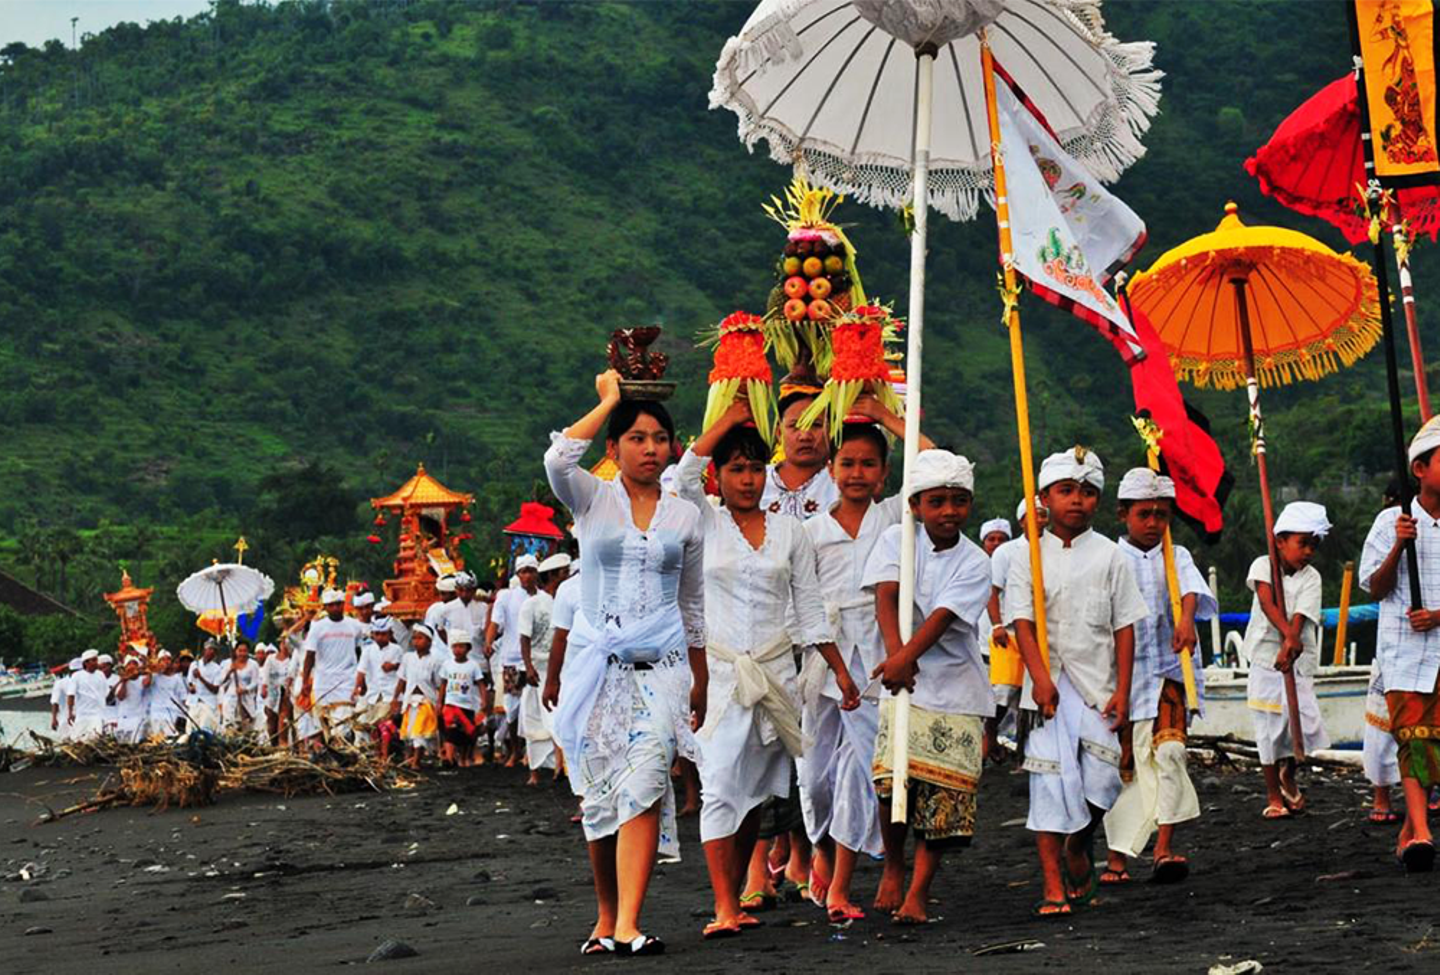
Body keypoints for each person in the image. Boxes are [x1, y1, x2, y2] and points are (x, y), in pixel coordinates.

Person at [675, 400, 857, 938]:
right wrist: (729, 420)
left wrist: (841, 672)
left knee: (758, 789)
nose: (748, 479)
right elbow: (681, 474)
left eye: (756, 468)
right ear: (720, 475)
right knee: (719, 784)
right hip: (723, 674)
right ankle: (722, 904)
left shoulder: (789, 532)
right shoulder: (704, 519)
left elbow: (807, 607)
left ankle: (738, 895)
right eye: (736, 468)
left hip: (778, 674)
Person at [543, 370, 707, 957]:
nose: (650, 449)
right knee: (599, 800)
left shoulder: (686, 516)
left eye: (659, 438)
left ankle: (630, 924)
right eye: (635, 438)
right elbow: (558, 460)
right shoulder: (593, 498)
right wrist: (609, 400)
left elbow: (691, 602)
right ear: (614, 449)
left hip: (662, 667)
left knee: (645, 783)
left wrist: (700, 674)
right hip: (597, 670)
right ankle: (605, 916)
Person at [798, 396, 932, 921]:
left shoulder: (896, 519)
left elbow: (931, 457)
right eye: (847, 463)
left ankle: (849, 880)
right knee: (814, 776)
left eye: (869, 463)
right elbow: (802, 605)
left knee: (865, 771)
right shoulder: (810, 532)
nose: (857, 473)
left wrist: (883, 415)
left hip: (880, 657)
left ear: (884, 473)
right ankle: (822, 847)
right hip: (824, 659)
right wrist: (830, 663)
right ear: (830, 469)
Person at [1005, 448, 1147, 918]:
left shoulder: (1112, 556)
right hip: (1045, 689)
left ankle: (1079, 845)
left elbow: (1125, 626)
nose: (1077, 501)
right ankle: (1052, 886)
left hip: (1098, 687)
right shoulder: (1028, 554)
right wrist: (1040, 679)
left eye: (1087, 493)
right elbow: (1022, 620)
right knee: (1048, 787)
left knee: (1104, 781)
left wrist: (1124, 691)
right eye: (1066, 491)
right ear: (1045, 497)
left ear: (1098, 502)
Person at [864, 449, 993, 925]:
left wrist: (904, 658)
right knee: (890, 783)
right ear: (917, 503)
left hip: (956, 687)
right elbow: (886, 595)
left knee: (942, 795)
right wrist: (897, 657)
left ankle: (919, 890)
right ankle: (893, 864)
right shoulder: (897, 540)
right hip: (903, 682)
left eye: (958, 501)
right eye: (937, 501)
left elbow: (943, 618)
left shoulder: (977, 561)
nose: (948, 512)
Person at [1101, 469, 1217, 885]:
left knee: (1169, 755)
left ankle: (1164, 847)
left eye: (1162, 515)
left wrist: (1186, 620)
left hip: (1170, 671)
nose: (1153, 524)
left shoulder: (1176, 554)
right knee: (1127, 768)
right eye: (1144, 514)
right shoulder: (1110, 558)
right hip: (1125, 679)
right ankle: (1118, 856)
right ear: (1123, 515)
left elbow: (1190, 591)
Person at [1362, 416, 1440, 870]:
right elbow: (1376, 587)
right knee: (1412, 737)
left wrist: (1437, 615)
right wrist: (1398, 545)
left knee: (1434, 743)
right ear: (1420, 470)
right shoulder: (1391, 520)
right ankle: (1422, 833)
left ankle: (1410, 828)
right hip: (1404, 650)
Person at [1244, 501, 1331, 820]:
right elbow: (1267, 603)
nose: (1308, 551)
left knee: (1302, 723)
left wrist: (1292, 642)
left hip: (1298, 656)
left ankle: (1288, 773)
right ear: (1280, 540)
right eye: (1302, 543)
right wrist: (1285, 638)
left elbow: (1301, 618)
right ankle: (1272, 795)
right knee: (1267, 728)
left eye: (1313, 545)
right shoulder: (1261, 565)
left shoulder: (1312, 578)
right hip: (1265, 653)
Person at [519, 553, 571, 785]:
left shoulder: (568, 598)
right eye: (563, 573)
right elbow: (524, 638)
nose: (567, 576)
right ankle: (535, 771)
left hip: (564, 665)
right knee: (534, 719)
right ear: (551, 576)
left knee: (560, 716)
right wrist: (528, 667)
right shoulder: (532, 604)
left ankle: (561, 766)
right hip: (538, 668)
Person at [486, 555, 541, 768]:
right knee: (512, 709)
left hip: (535, 659)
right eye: (523, 571)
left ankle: (531, 752)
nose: (527, 575)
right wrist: (489, 642)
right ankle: (515, 751)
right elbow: (495, 622)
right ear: (518, 574)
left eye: (531, 570)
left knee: (533, 708)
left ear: (536, 573)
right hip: (511, 659)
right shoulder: (506, 597)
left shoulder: (543, 598)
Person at [301, 589, 369, 743]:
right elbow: (309, 656)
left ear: (343, 605)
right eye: (331, 605)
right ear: (325, 607)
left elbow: (359, 653)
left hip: (347, 680)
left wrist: (361, 678)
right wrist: (306, 681)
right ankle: (329, 750)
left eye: (338, 604)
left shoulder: (354, 626)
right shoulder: (317, 627)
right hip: (323, 681)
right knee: (323, 721)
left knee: (344, 721)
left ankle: (342, 749)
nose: (335, 608)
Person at [392, 622, 443, 768]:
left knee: (419, 731)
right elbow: (402, 679)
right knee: (409, 732)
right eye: (414, 638)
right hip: (409, 700)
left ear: (429, 641)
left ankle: (416, 761)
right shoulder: (408, 658)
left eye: (420, 638)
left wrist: (439, 702)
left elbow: (439, 685)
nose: (416, 641)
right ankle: (409, 759)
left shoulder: (435, 660)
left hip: (426, 701)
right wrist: (395, 699)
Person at [437, 628, 487, 767]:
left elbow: (480, 683)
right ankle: (449, 758)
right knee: (450, 731)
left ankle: (464, 757)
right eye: (455, 647)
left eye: (461, 647)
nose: (457, 650)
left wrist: (484, 700)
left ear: (468, 648)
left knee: (467, 733)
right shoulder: (447, 665)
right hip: (451, 704)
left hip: (467, 704)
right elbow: (443, 684)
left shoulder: (473, 665)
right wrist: (439, 703)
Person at [354, 617, 403, 750]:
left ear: (390, 634)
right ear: (373, 635)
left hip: (390, 694)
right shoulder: (368, 650)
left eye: (383, 634)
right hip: (373, 695)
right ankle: (377, 753)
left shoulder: (397, 649)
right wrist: (357, 688)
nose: (380, 637)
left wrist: (393, 666)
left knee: (384, 725)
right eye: (377, 634)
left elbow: (403, 671)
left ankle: (384, 755)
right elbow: (361, 671)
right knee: (372, 727)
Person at [220, 642, 262, 734]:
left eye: (245, 651)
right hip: (231, 698)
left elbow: (255, 682)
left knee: (247, 727)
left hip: (246, 700)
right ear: (236, 652)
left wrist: (245, 689)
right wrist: (230, 671)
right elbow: (221, 681)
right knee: (230, 726)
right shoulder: (228, 663)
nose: (242, 654)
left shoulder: (253, 664)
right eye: (240, 651)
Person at [69, 649, 110, 741]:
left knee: (96, 738)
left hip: (98, 714)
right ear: (86, 663)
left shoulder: (101, 675)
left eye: (96, 660)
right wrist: (70, 712)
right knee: (79, 739)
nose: (97, 662)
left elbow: (106, 693)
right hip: (82, 714)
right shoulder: (76, 676)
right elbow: (70, 695)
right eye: (94, 660)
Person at [112, 656, 152, 743]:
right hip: (124, 717)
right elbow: (121, 697)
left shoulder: (141, 679)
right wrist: (124, 681)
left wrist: (149, 670)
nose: (132, 666)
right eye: (129, 664)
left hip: (138, 717)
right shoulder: (121, 680)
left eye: (134, 664)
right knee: (123, 743)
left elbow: (146, 684)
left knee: (136, 742)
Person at [147, 651, 186, 739]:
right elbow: (146, 684)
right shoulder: (154, 676)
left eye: (168, 659)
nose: (166, 662)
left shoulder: (177, 678)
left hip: (172, 713)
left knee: (170, 738)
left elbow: (183, 697)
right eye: (163, 660)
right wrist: (152, 670)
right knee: (157, 738)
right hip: (156, 712)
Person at [188, 640, 224, 733]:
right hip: (194, 703)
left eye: (214, 650)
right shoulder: (194, 664)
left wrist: (200, 677)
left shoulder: (217, 668)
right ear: (204, 650)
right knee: (190, 730)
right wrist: (191, 687)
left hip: (208, 704)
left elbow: (215, 689)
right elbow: (190, 682)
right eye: (210, 649)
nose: (212, 652)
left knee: (204, 731)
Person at [50, 658, 80, 740]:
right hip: (66, 720)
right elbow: (54, 702)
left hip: (81, 719)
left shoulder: (83, 681)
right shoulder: (60, 683)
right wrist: (54, 719)